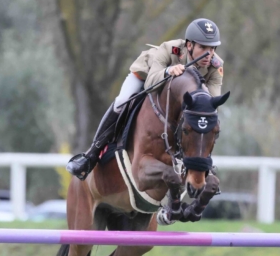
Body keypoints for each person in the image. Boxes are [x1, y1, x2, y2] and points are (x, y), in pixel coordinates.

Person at [66, 18, 225, 180]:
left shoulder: (215, 65)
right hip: (147, 75)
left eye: (212, 48)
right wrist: (168, 71)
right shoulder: (171, 49)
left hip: (177, 93)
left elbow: (211, 106)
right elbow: (150, 83)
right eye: (203, 47)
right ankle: (91, 155)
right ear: (189, 45)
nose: (209, 54)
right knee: (122, 101)